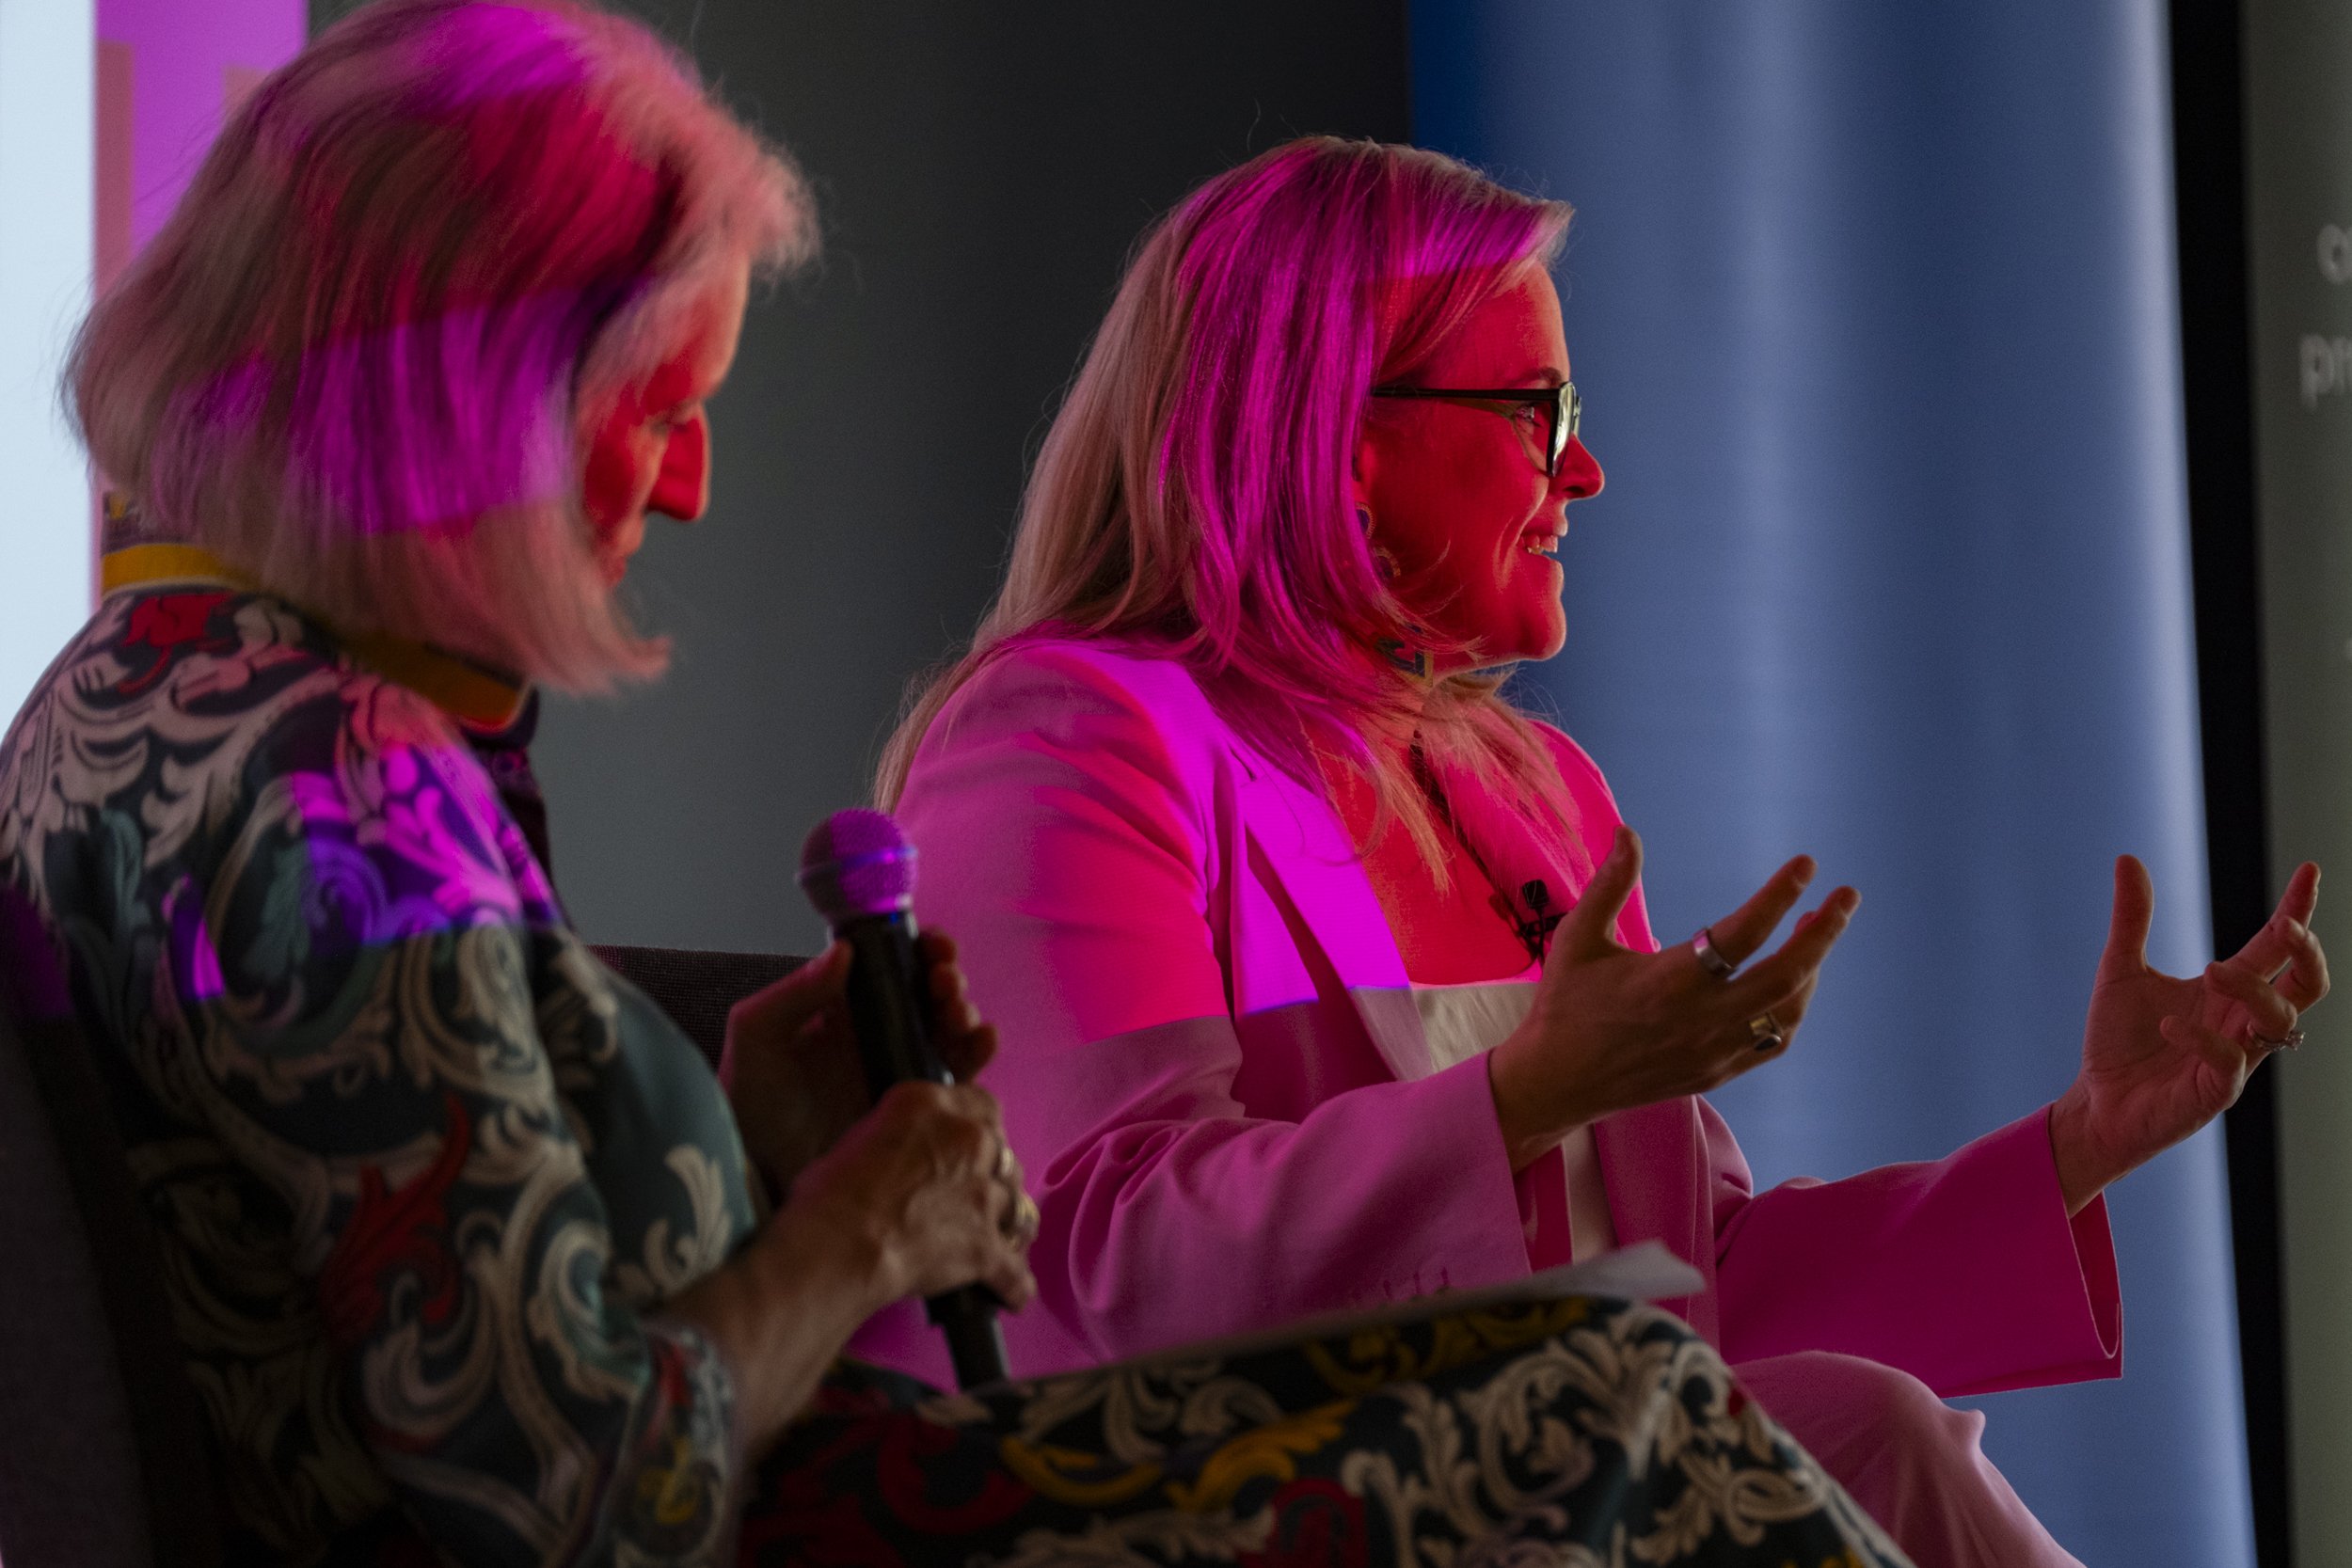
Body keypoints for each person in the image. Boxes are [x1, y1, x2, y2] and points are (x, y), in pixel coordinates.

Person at [0, 5, 1915, 1564]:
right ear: (461, 383)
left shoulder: (138, 695)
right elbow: (578, 1496)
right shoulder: (355, 802)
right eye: (654, 409)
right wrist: (866, 1230)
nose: (688, 489)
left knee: (1734, 1406)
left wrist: (751, 1131)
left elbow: (429, 1261)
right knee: (1608, 1415)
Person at [865, 135, 2330, 1568]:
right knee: (1863, 1433)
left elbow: (1698, 1289)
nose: (1588, 475)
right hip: (1230, 1510)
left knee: (1866, 1433)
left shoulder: (1534, 788)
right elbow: (1108, 1254)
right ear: (1341, 434)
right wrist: (1528, 1093)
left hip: (1581, 1493)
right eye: (1540, 414)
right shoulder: (1074, 736)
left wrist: (2083, 1145)